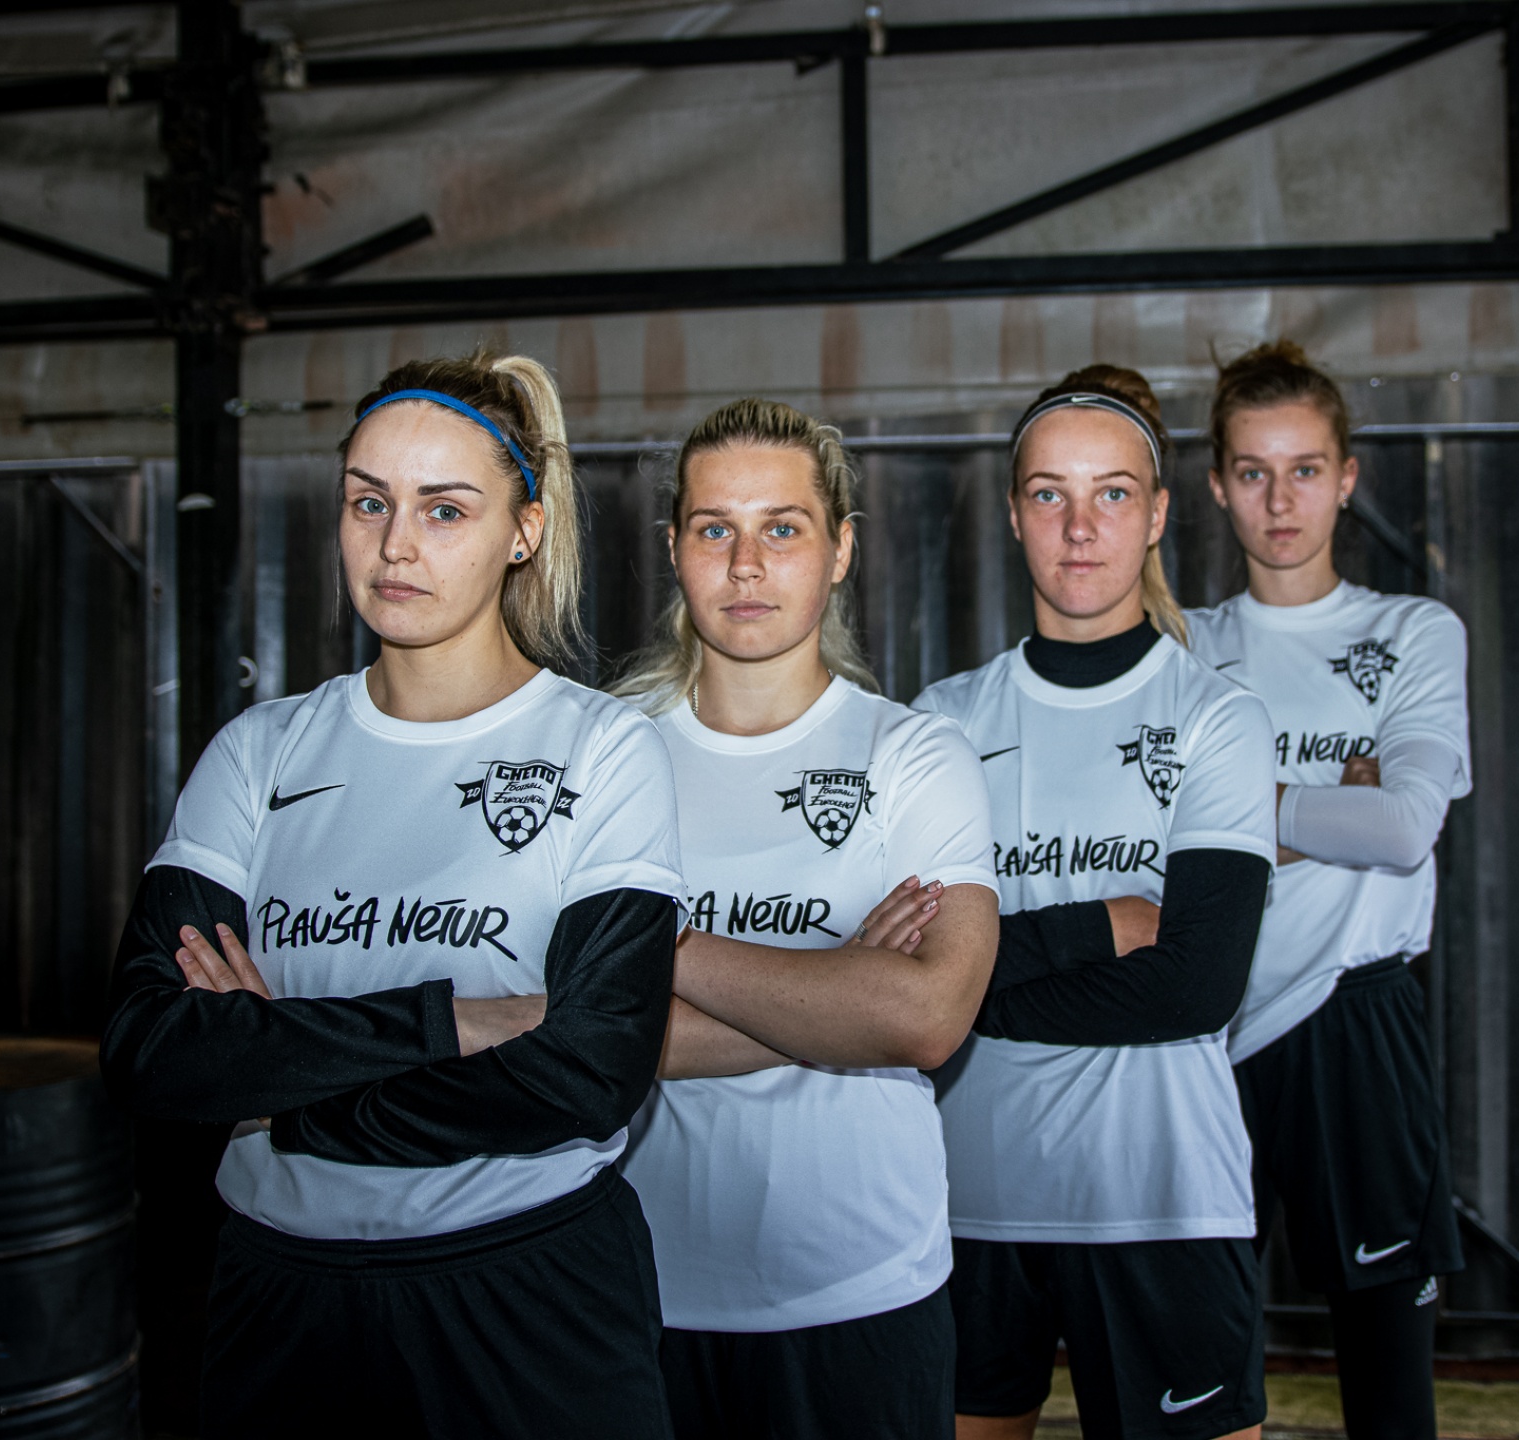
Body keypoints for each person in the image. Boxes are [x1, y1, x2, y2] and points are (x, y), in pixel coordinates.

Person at [100, 352, 685, 1439]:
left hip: (525, 1294)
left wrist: (280, 1081)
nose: (395, 544)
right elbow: (151, 1050)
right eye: (368, 502)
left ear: (524, 530)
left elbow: (591, 1071)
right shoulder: (261, 751)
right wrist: (448, 1020)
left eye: (443, 509)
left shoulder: (602, 748)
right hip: (282, 1299)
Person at [612, 398, 1001, 1440]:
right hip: (640, 1293)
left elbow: (925, 1018)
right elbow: (575, 1032)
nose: (745, 565)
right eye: (714, 529)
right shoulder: (607, 759)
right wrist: (835, 987)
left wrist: (660, 945)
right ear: (674, 548)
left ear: (841, 550)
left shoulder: (914, 755)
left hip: (860, 1292)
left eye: (782, 528)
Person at [914, 366, 1277, 1440]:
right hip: (969, 1201)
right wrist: (1095, 927)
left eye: (1111, 493)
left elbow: (1194, 987)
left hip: (1163, 1202)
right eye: (1050, 494)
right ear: (1013, 513)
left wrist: (963, 991)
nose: (1080, 527)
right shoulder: (940, 722)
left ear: (1157, 514)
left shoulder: (1218, 718)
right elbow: (897, 976)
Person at [1183, 340, 1471, 1440]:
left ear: (1346, 478)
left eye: (1304, 470)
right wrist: (1322, 807)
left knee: (1388, 1377)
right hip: (1204, 1028)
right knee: (1197, 1365)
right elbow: (1144, 843)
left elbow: (1400, 828)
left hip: (1355, 1015)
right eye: (1253, 472)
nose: (1280, 500)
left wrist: (1238, 812)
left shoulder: (1411, 632)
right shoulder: (1182, 647)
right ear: (1217, 486)